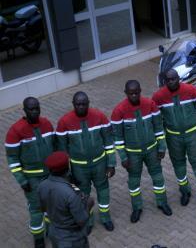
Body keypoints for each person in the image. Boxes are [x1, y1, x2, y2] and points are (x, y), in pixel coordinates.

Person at [111, 80, 172, 222]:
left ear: (140, 91)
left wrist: (162, 147)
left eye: (136, 93)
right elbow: (118, 138)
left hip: (152, 150)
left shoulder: (150, 105)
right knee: (133, 181)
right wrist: (123, 157)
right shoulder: (118, 111)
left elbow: (158, 128)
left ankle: (162, 202)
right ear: (126, 93)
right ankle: (137, 208)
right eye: (131, 93)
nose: (134, 96)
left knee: (158, 177)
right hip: (132, 154)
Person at [152, 69, 196, 212]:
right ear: (165, 82)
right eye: (168, 80)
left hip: (192, 135)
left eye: (174, 79)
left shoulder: (191, 90)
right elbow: (156, 117)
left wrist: (193, 117)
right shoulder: (159, 96)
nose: (171, 82)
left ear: (179, 78)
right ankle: (185, 191)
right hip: (173, 137)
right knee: (178, 165)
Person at [56, 92, 116, 232]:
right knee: (83, 195)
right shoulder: (64, 122)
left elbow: (108, 142)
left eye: (84, 104)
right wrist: (67, 172)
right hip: (79, 167)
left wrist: (111, 164)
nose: (81, 107)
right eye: (78, 104)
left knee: (104, 190)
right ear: (73, 104)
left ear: (88, 103)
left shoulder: (99, 116)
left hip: (99, 163)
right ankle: (88, 222)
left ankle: (105, 218)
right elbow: (62, 151)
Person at [4, 97, 55, 248]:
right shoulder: (15, 131)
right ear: (24, 110)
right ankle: (38, 238)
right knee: (36, 209)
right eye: (30, 109)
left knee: (51, 205)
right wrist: (22, 180)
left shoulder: (46, 124)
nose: (34, 112)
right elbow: (12, 159)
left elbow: (55, 146)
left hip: (50, 175)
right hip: (32, 179)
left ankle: (50, 230)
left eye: (36, 108)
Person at [38, 151, 94, 248]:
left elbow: (42, 208)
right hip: (72, 239)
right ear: (67, 169)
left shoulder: (42, 186)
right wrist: (89, 204)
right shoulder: (71, 193)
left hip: (54, 232)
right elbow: (82, 220)